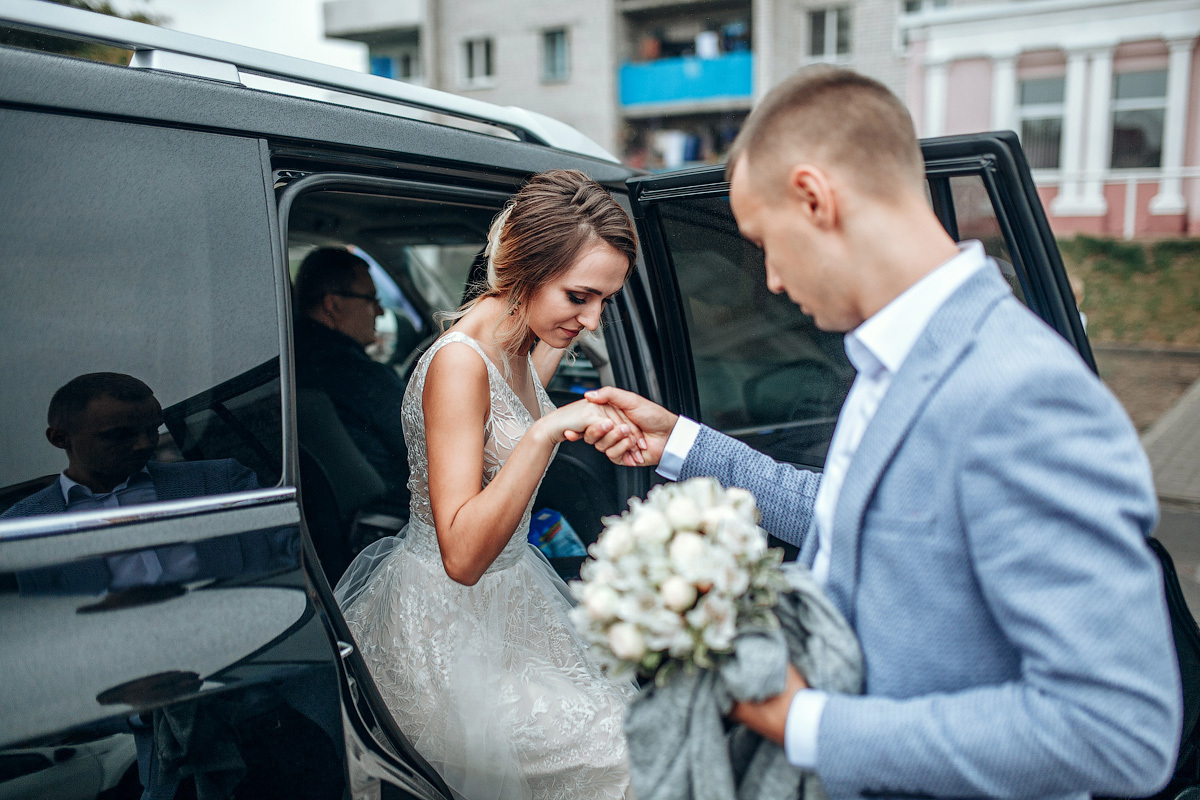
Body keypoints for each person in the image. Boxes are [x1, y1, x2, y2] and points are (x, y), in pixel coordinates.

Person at [581, 67, 1181, 800]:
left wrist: (807, 724)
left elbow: (1117, 729)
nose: (769, 279)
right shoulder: (889, 358)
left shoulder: (1024, 393)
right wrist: (681, 443)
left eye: (765, 242)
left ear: (815, 197)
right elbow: (849, 519)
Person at [334, 169, 646, 800]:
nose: (590, 321)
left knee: (635, 734)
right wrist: (548, 431)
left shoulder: (515, 347)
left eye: (605, 302)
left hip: (517, 600)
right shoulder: (457, 364)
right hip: (449, 625)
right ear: (523, 270)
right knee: (620, 757)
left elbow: (534, 378)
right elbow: (463, 556)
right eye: (580, 296)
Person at [2, 372, 258, 524]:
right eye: (119, 435)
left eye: (153, 429)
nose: (144, 444)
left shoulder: (222, 483)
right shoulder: (17, 527)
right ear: (60, 439)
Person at [293, 248, 412, 516]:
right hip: (392, 517)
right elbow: (425, 445)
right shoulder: (359, 376)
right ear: (332, 305)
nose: (380, 312)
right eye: (371, 298)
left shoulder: (289, 363)